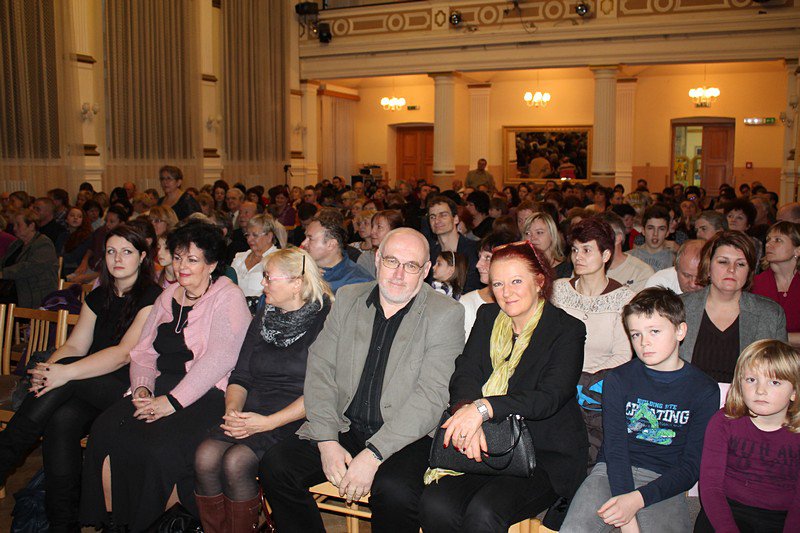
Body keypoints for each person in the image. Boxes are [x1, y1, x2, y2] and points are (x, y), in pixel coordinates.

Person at [259, 228, 465, 533]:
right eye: (392, 261)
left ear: (425, 271)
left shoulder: (445, 314)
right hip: (346, 426)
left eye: (411, 265)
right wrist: (327, 441)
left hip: (406, 436)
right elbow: (321, 370)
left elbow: (431, 397)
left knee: (394, 492)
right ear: (378, 259)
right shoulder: (348, 298)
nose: (398, 274)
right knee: (276, 466)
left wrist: (374, 454)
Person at [80, 220, 251, 531]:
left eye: (192, 259)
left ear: (212, 264)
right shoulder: (167, 295)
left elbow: (220, 358)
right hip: (160, 387)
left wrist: (172, 401)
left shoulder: (228, 296)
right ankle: (114, 521)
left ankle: (146, 523)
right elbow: (143, 352)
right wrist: (142, 389)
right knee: (105, 430)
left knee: (155, 447)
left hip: (207, 392)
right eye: (178, 257)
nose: (182, 266)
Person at [0, 225, 161, 532]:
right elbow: (74, 346)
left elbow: (123, 354)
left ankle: (5, 454)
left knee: (67, 378)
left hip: (127, 388)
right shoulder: (98, 295)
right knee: (61, 420)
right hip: (85, 383)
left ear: (142, 257)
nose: (117, 258)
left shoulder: (154, 297)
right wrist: (48, 371)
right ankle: (63, 524)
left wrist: (64, 372)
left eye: (126, 252)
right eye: (111, 251)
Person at [419, 240, 588, 533]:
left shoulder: (567, 329)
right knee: (436, 503)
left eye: (516, 281)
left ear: (539, 281)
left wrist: (484, 409)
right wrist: (467, 414)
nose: (506, 292)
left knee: (484, 512)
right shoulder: (487, 317)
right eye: (498, 283)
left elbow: (549, 397)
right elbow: (465, 373)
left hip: (542, 454)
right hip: (484, 444)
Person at [194, 248, 332, 532]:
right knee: (205, 457)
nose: (262, 283)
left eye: (269, 278)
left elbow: (323, 392)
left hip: (297, 415)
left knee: (236, 462)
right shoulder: (265, 315)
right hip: (253, 410)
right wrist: (233, 412)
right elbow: (241, 375)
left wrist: (266, 423)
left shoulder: (326, 320)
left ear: (296, 283)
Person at [561, 288, 719, 533]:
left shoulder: (703, 389)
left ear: (680, 331)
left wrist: (636, 500)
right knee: (574, 529)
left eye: (654, 331)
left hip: (664, 479)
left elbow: (691, 467)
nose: (644, 342)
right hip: (610, 471)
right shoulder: (618, 379)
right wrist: (628, 520)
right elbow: (615, 449)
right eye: (636, 334)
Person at [551, 217, 634, 465]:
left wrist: (582, 380)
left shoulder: (624, 298)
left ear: (606, 255)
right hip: (557, 382)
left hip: (597, 390)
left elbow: (623, 355)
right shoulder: (558, 290)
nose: (578, 257)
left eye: (587, 250)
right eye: (575, 250)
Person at [695, 339, 800, 532]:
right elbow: (710, 487)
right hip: (727, 508)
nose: (760, 390)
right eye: (751, 380)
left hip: (780, 516)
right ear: (739, 384)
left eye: (774, 382)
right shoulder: (723, 422)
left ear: (794, 391)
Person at [680, 231, 787, 383]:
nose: (731, 269)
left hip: (745, 397)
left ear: (749, 272)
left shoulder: (770, 314)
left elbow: (781, 374)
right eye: (723, 262)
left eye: (740, 264)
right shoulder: (679, 307)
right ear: (708, 266)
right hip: (687, 395)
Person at [459, 232, 517, 338]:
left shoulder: (521, 302)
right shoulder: (467, 303)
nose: (478, 265)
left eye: (487, 258)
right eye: (479, 257)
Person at [752, 221, 800, 347]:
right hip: (764, 354)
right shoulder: (754, 284)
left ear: (797, 250)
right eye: (768, 240)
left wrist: (777, 337)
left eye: (778, 240)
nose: (768, 244)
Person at [0, 208, 59, 307]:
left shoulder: (44, 243)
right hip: (13, 292)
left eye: (18, 225)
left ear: (31, 226)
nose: (14, 228)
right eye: (14, 225)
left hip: (34, 295)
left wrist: (4, 273)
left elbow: (31, 266)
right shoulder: (16, 244)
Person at [302, 214, 373, 293]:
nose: (303, 243)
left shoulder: (357, 282)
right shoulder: (300, 268)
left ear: (331, 244)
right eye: (305, 238)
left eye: (310, 239)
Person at [428, 196, 480, 292]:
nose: (437, 220)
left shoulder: (474, 251)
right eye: (432, 217)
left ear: (455, 219)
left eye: (443, 215)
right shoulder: (430, 254)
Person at [230, 214, 279, 312]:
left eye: (255, 235)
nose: (249, 239)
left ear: (269, 236)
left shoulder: (278, 260)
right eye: (247, 235)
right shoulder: (239, 257)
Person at [598, 211, 655, 293]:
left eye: (601, 237)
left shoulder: (642, 272)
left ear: (618, 238)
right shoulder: (586, 268)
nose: (595, 242)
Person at [523, 211, 573, 279]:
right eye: (528, 233)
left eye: (539, 232)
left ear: (552, 235)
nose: (532, 238)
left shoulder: (566, 270)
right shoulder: (522, 268)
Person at [629, 205, 676, 272]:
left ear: (667, 232)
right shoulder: (629, 257)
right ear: (643, 230)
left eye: (661, 229)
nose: (655, 234)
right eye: (650, 228)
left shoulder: (674, 261)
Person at [357, 210, 403, 277]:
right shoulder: (367, 258)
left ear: (394, 231)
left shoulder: (405, 257)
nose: (372, 232)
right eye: (372, 226)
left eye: (379, 227)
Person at [61, 207, 94, 278]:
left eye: (79, 216)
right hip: (62, 268)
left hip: (77, 270)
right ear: (66, 219)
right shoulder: (62, 235)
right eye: (72, 215)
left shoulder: (87, 237)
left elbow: (75, 256)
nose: (75, 218)